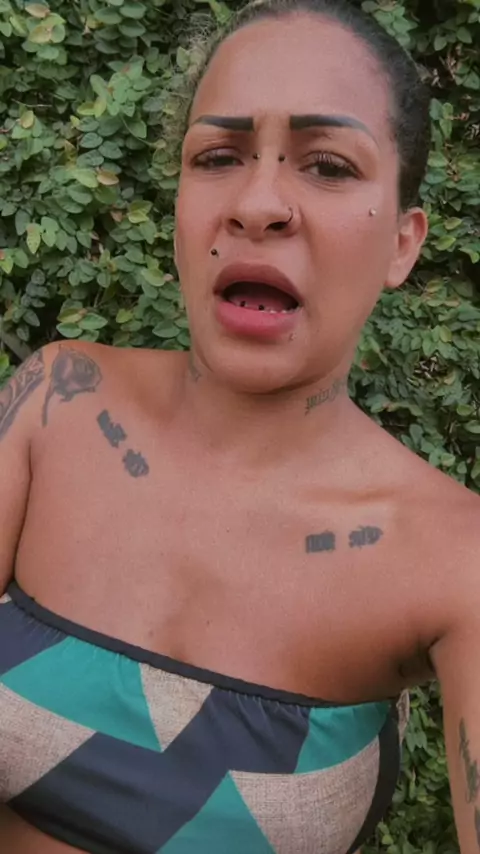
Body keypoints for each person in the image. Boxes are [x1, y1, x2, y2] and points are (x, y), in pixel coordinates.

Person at [0, 0, 479, 851]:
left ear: (404, 245)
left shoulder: (452, 558)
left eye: (328, 165)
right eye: (217, 158)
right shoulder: (58, 399)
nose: (258, 205)